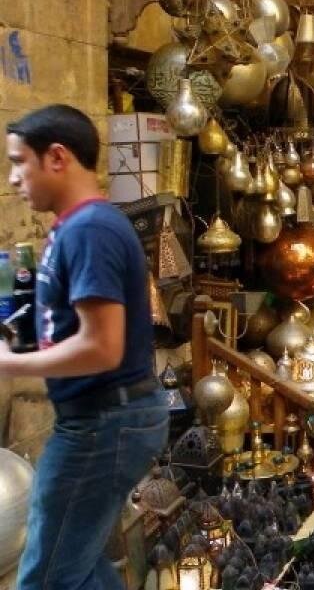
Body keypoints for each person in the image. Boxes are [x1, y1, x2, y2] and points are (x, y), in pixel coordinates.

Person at [2, 105, 167, 588]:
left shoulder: (91, 230)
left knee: (47, 577)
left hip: (104, 424)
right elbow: (70, 326)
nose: (13, 179)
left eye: (20, 162)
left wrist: (11, 364)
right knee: (80, 564)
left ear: (57, 157)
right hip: (101, 419)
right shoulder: (74, 228)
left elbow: (102, 347)